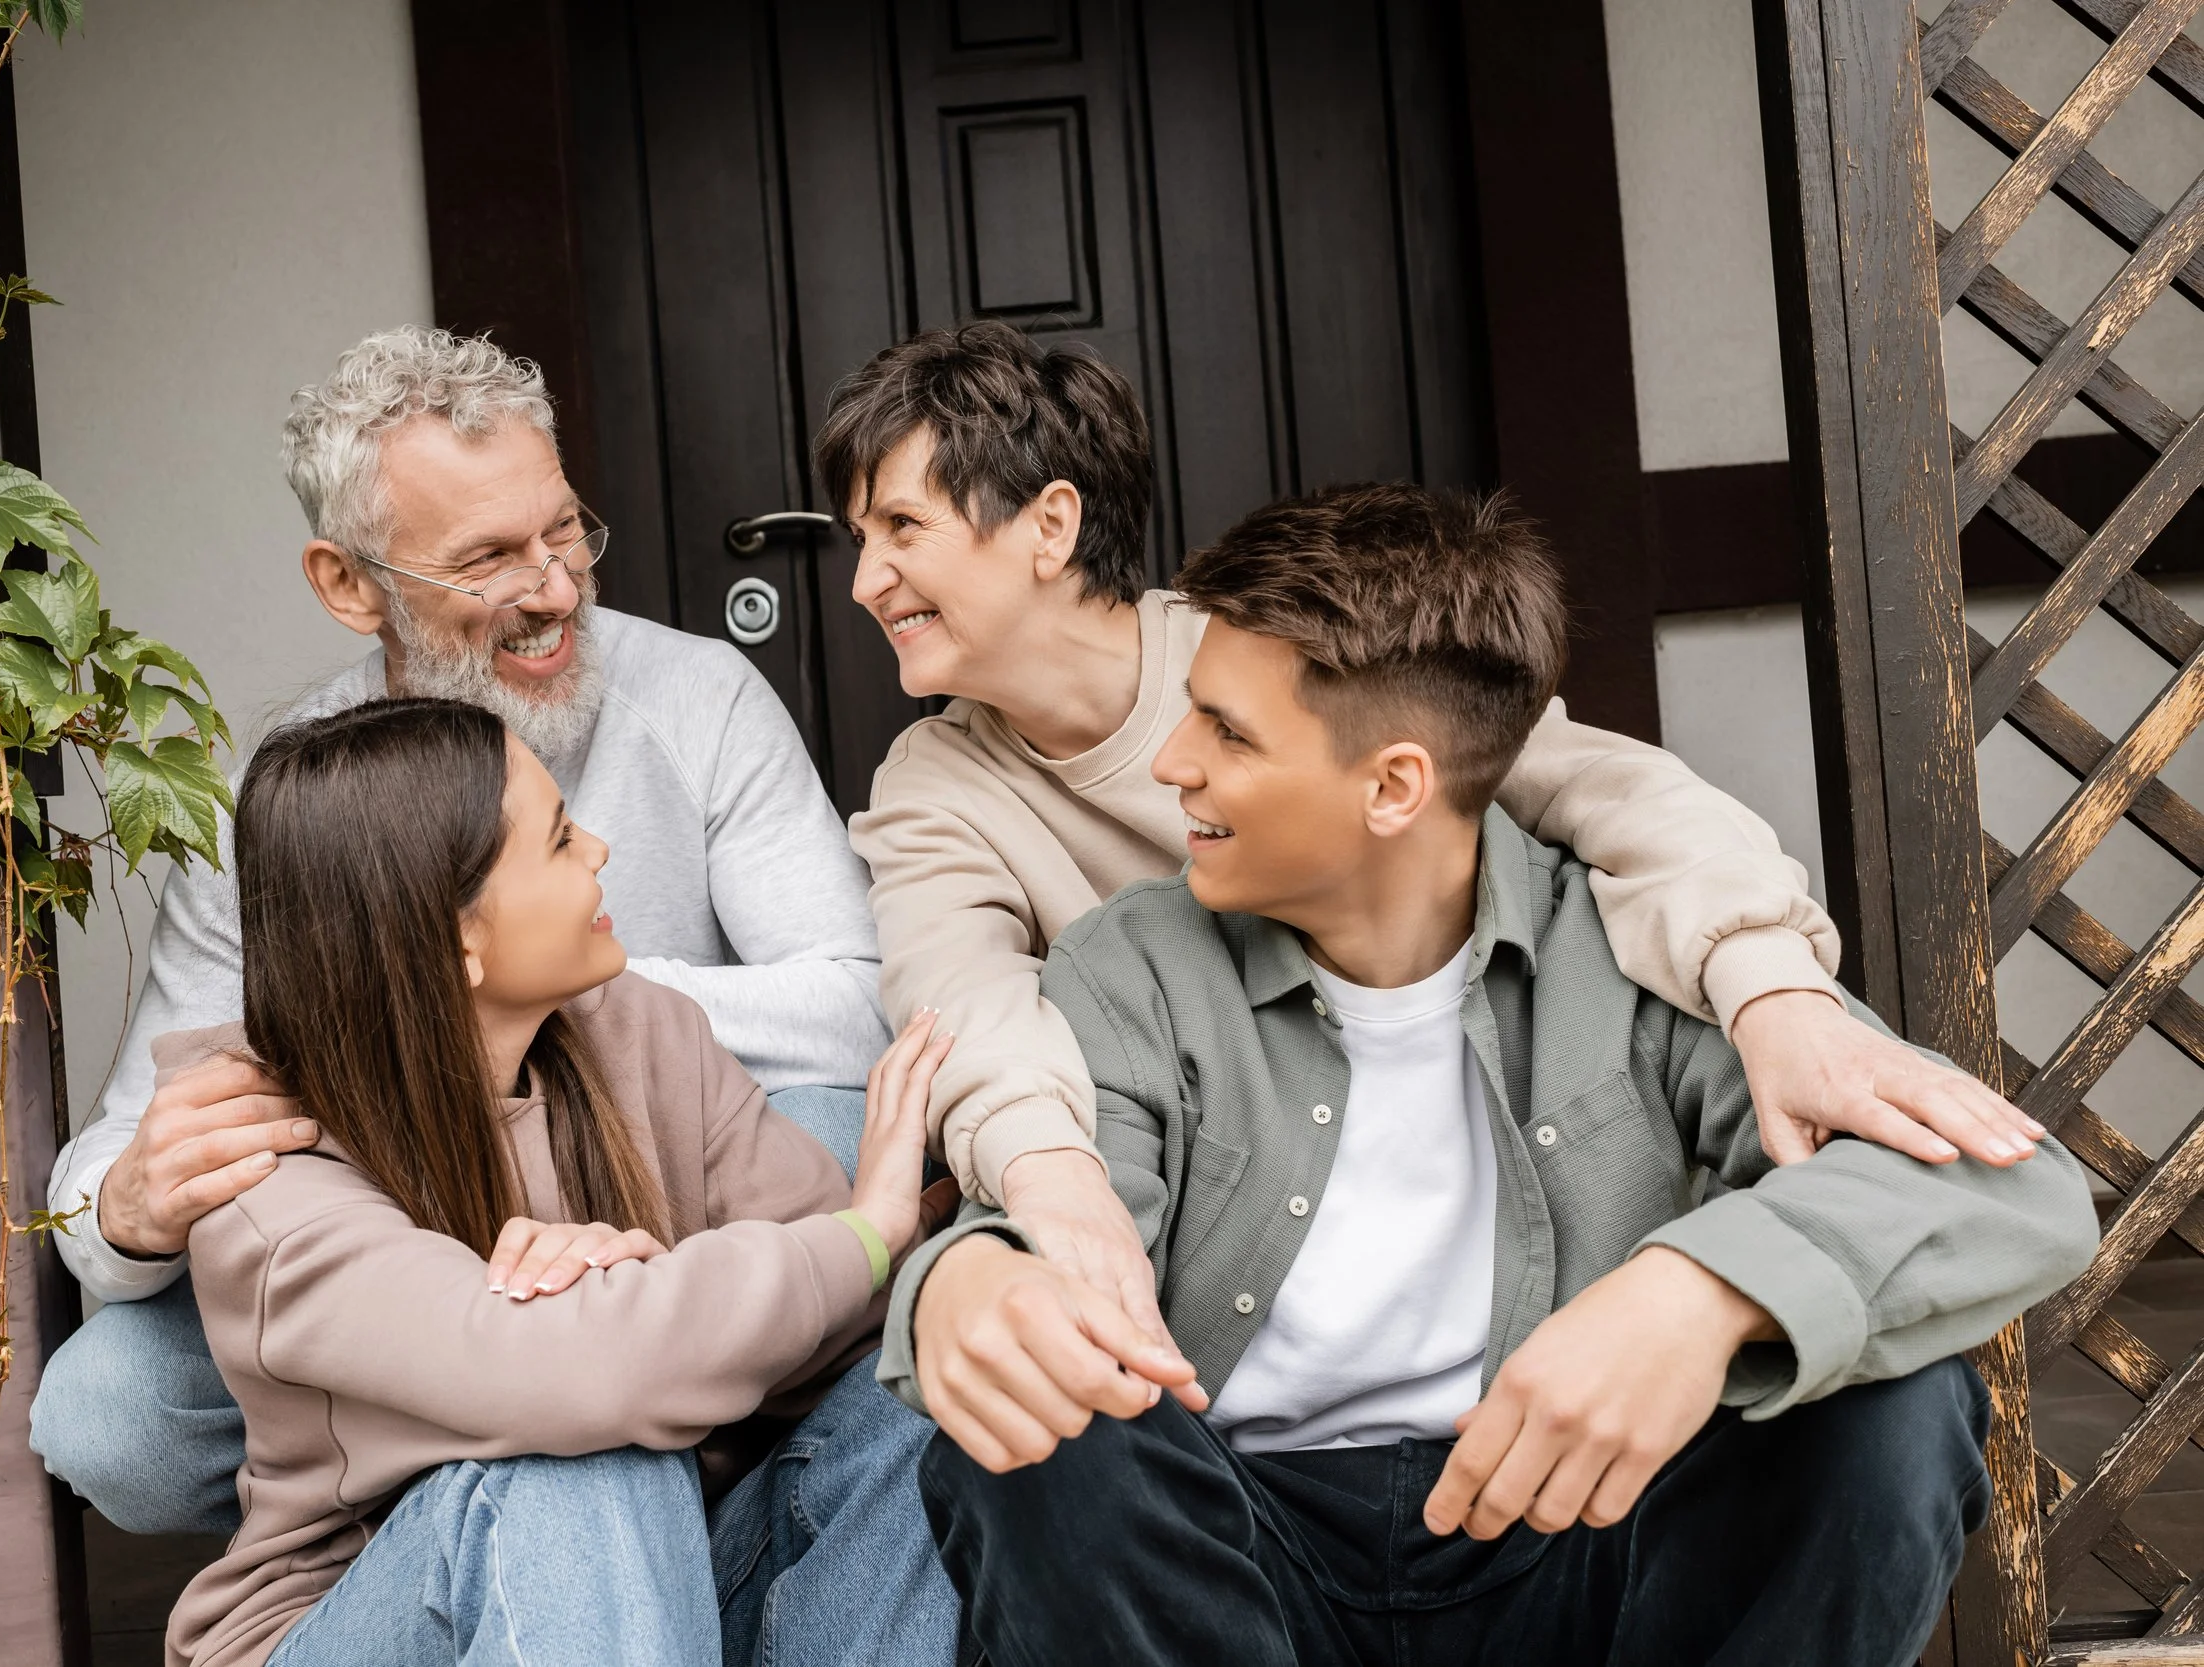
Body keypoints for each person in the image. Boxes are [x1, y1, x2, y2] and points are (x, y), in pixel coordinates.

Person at [881, 485, 2097, 1667]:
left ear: (1395, 784)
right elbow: (1060, 1262)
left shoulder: (1639, 951)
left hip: (1581, 1530)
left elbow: (2018, 1194)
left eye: (1227, 732)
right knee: (1033, 1433)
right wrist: (968, 1279)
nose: (1172, 766)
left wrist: (1697, 1294)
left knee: (1893, 1409)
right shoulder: (1127, 966)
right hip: (1242, 1559)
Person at [818, 320, 2048, 1351]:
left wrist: (1774, 993)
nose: (867, 579)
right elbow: (960, 999)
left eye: (902, 528)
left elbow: (1611, 793)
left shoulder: (1267, 648)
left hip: (1481, 1149)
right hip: (1221, 1216)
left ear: (1049, 524)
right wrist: (1052, 1180)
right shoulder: (935, 787)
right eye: (858, 541)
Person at [33, 328, 893, 1537]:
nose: (553, 589)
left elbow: (853, 1000)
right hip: (397, 1259)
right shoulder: (285, 805)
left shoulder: (700, 696)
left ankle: (730, 1508)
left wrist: (561, 988)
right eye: (488, 557)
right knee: (108, 1414)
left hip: (663, 1189)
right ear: (347, 583)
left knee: (833, 1131)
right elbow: (124, 1150)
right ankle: (486, 1496)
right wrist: (124, 1211)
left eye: (562, 532)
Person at [163, 697, 958, 1667]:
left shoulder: (640, 1030)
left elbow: (834, 1324)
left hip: (657, 1592)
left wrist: (632, 1287)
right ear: (455, 936)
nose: (601, 847)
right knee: (574, 1458)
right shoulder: (264, 1167)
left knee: (917, 1393)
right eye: (558, 837)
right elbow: (581, 1377)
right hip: (368, 1622)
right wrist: (870, 1224)